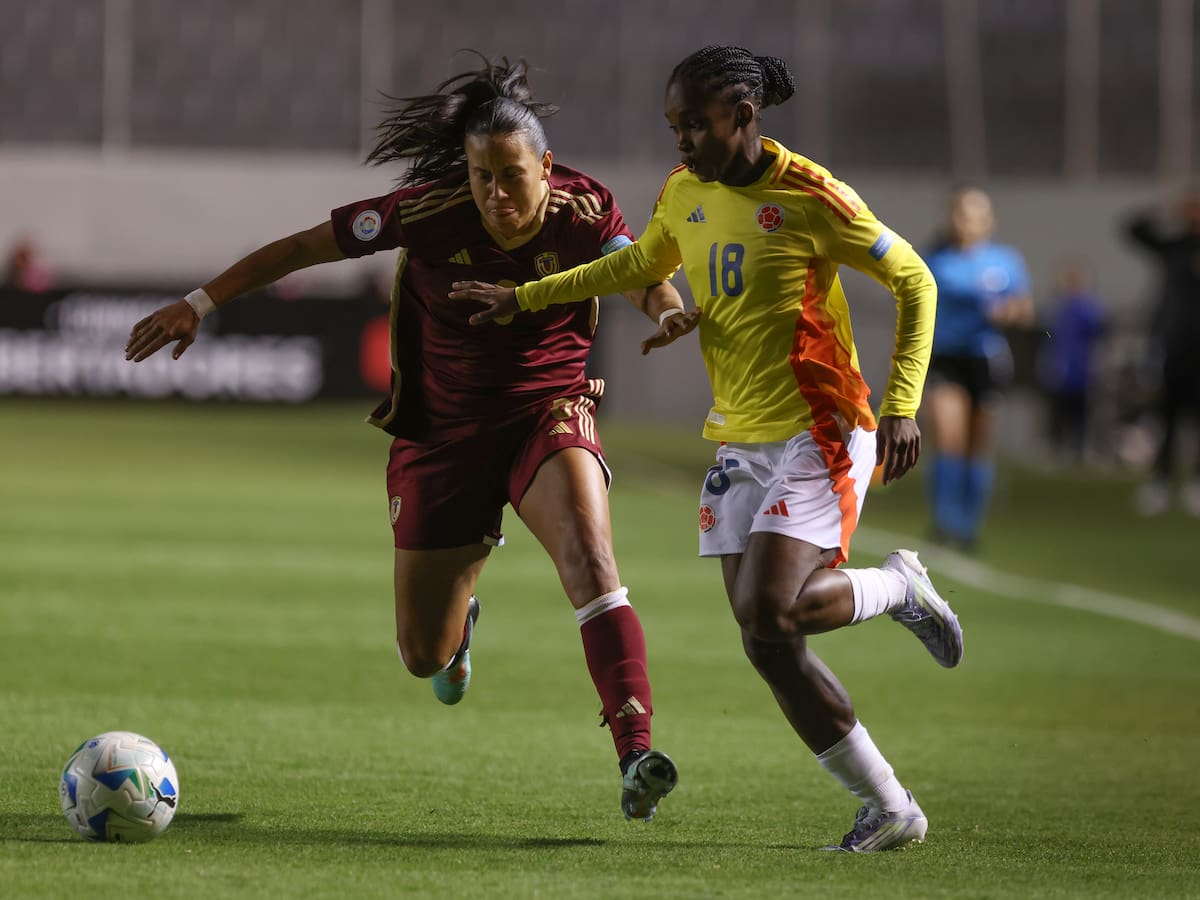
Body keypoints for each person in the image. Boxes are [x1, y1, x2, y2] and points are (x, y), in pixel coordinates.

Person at [124, 53, 690, 822]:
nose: (495, 193)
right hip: (443, 437)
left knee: (591, 559)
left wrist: (666, 311)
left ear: (546, 167)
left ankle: (636, 752)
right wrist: (200, 300)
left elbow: (642, 268)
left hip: (546, 413)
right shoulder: (426, 211)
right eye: (482, 175)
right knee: (423, 654)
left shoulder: (585, 209)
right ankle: (459, 639)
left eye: (511, 175)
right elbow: (300, 249)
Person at [451, 45, 963, 853]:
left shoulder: (811, 194)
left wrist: (902, 405)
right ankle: (890, 806)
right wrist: (522, 299)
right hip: (739, 438)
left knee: (772, 606)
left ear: (743, 117)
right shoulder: (683, 192)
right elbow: (638, 263)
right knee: (766, 640)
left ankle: (898, 587)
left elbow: (916, 282)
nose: (681, 141)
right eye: (673, 126)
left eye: (694, 125)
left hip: (822, 425)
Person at [922, 187, 1034, 548]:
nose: (966, 222)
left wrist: (1010, 313)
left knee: (978, 445)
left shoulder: (1006, 261)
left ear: (988, 221)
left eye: (974, 215)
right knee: (949, 438)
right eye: (960, 214)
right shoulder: (938, 261)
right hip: (948, 357)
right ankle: (944, 521)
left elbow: (1024, 309)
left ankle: (970, 528)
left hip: (986, 358)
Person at [1124, 189, 1200, 517]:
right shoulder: (1174, 245)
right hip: (1173, 345)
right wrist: (1164, 211)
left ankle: (1196, 483)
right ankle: (1160, 482)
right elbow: (1133, 228)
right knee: (1165, 416)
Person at [1037, 260, 1106, 463]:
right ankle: (1057, 448)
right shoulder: (1057, 308)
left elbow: (1099, 331)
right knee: (1057, 412)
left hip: (1081, 370)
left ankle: (1077, 450)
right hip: (1058, 370)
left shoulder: (1087, 308)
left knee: (1079, 413)